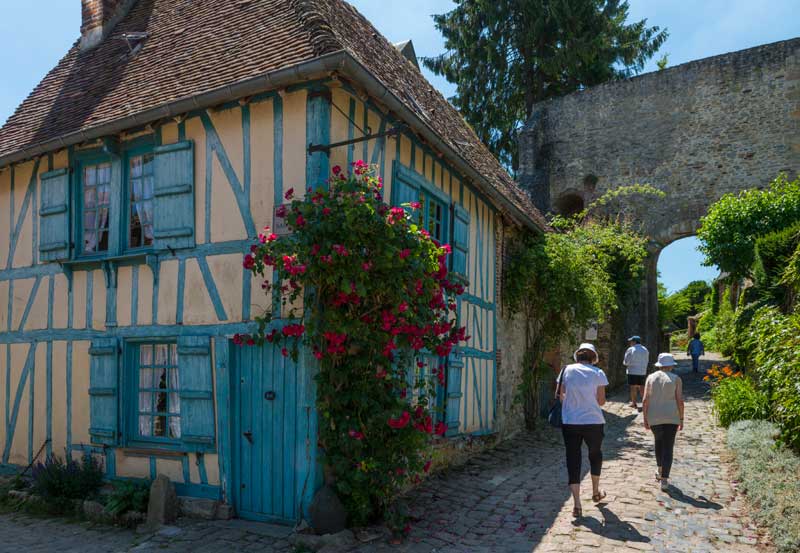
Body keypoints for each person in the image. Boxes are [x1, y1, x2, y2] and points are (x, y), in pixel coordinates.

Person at [557, 342, 609, 517]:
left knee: (573, 458)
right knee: (595, 454)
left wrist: (572, 405)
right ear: (593, 358)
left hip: (571, 421)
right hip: (593, 421)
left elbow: (560, 395)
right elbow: (601, 402)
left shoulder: (566, 370)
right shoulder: (598, 373)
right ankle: (595, 491)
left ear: (577, 356)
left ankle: (577, 504)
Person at [642, 353, 684, 491]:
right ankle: (664, 480)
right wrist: (681, 418)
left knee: (658, 442)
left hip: (654, 416)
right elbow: (679, 401)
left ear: (659, 365)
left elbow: (645, 400)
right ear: (671, 365)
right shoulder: (676, 379)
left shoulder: (651, 378)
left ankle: (660, 469)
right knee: (668, 447)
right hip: (671, 416)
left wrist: (645, 418)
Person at [623, 335, 649, 409]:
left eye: (631, 341)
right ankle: (645, 403)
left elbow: (626, 361)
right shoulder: (645, 349)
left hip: (632, 371)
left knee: (633, 388)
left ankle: (634, 403)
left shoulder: (631, 349)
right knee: (642, 388)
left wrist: (626, 363)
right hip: (642, 371)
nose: (630, 343)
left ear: (634, 342)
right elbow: (647, 360)